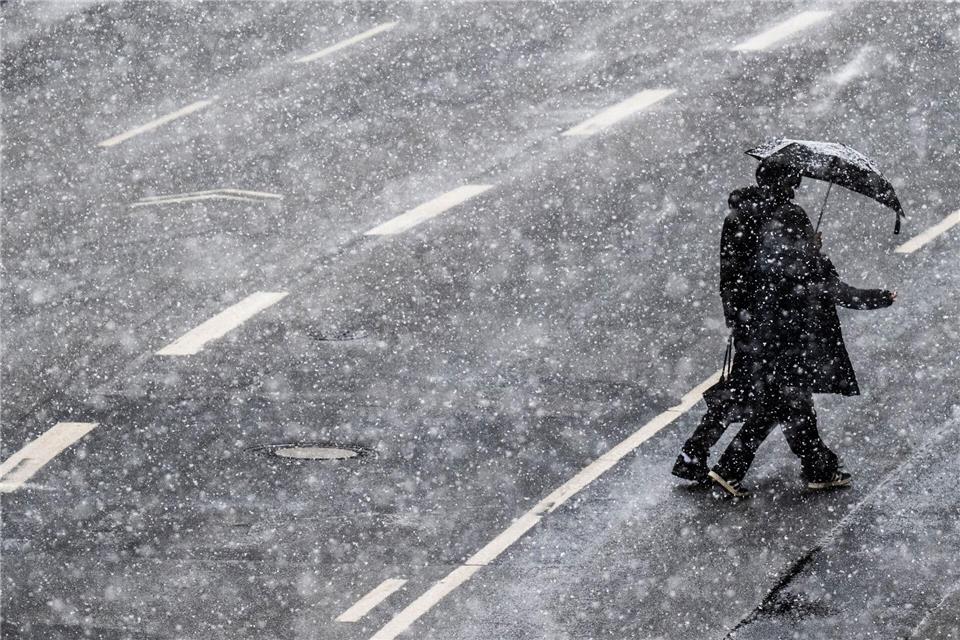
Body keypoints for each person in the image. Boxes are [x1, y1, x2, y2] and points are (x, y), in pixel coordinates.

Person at [706, 160, 896, 499]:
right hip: (790, 334)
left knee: (784, 402)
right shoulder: (791, 220)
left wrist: (737, 318)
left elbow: (738, 273)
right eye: (794, 180)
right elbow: (824, 285)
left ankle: (817, 467)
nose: (797, 185)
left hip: (760, 327)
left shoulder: (743, 219)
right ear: (789, 182)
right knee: (781, 403)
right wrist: (874, 296)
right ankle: (734, 468)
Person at [671, 185, 769, 483]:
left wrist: (737, 316)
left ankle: (696, 452)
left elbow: (732, 274)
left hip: (748, 319)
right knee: (774, 398)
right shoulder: (763, 219)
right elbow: (768, 270)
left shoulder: (738, 217)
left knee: (743, 392)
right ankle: (715, 460)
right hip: (764, 323)